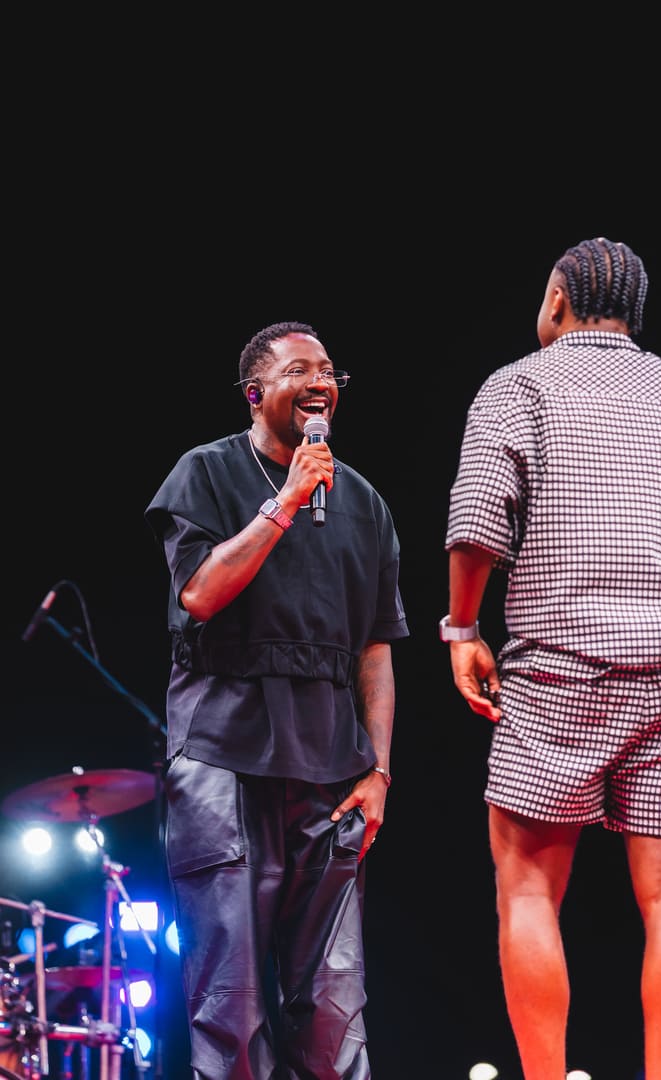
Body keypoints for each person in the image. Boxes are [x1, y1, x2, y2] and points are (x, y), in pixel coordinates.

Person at [441, 238, 661, 1080]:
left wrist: (463, 629)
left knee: (528, 886)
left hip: (559, 668)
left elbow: (477, 525)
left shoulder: (520, 385)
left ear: (557, 301)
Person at [145, 321, 409, 1080]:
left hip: (331, 773)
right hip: (223, 761)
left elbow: (375, 650)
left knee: (333, 1007)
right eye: (300, 369)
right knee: (232, 1005)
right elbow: (200, 593)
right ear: (255, 393)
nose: (320, 381)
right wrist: (286, 501)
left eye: (329, 371)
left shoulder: (365, 503)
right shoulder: (205, 472)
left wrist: (379, 770)